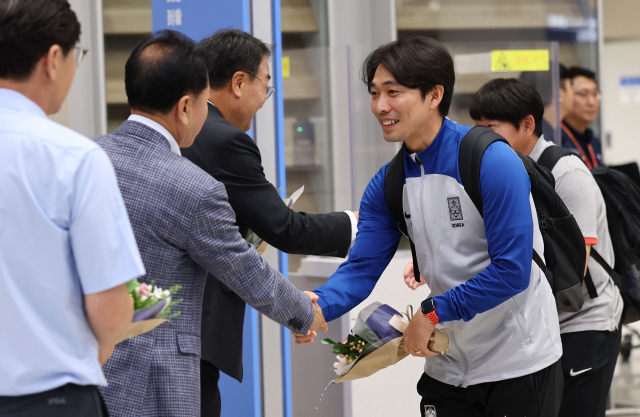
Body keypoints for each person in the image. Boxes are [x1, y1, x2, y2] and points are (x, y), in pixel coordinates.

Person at [303, 37, 563, 417]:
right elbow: (360, 268)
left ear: (434, 95)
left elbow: (512, 271)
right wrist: (316, 305)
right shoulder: (388, 184)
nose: (380, 106)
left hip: (518, 360)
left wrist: (431, 312)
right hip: (448, 365)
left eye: (393, 92)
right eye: (374, 93)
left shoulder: (491, 160)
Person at [94, 30, 326, 417]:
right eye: (205, 101)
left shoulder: (86, 157)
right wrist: (302, 311)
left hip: (86, 367)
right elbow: (245, 270)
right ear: (186, 106)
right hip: (155, 382)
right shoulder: (193, 188)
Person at [180, 29, 357, 417]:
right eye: (266, 86)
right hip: (192, 331)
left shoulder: (184, 129)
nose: (264, 100)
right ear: (239, 83)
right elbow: (285, 229)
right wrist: (354, 226)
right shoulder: (225, 141)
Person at [0, 0, 145, 415]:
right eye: (75, 56)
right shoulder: (73, 158)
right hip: (50, 398)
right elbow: (110, 307)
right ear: (52, 59)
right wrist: (96, 348)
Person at [468, 77, 623, 417]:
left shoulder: (566, 173)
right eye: (476, 129)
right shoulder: (500, 172)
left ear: (527, 125)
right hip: (545, 325)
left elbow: (574, 268)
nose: (481, 140)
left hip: (585, 321)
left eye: (491, 128)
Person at [562, 66, 604, 167]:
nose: (591, 102)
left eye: (595, 94)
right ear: (567, 95)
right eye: (583, 94)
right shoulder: (557, 138)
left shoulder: (593, 141)